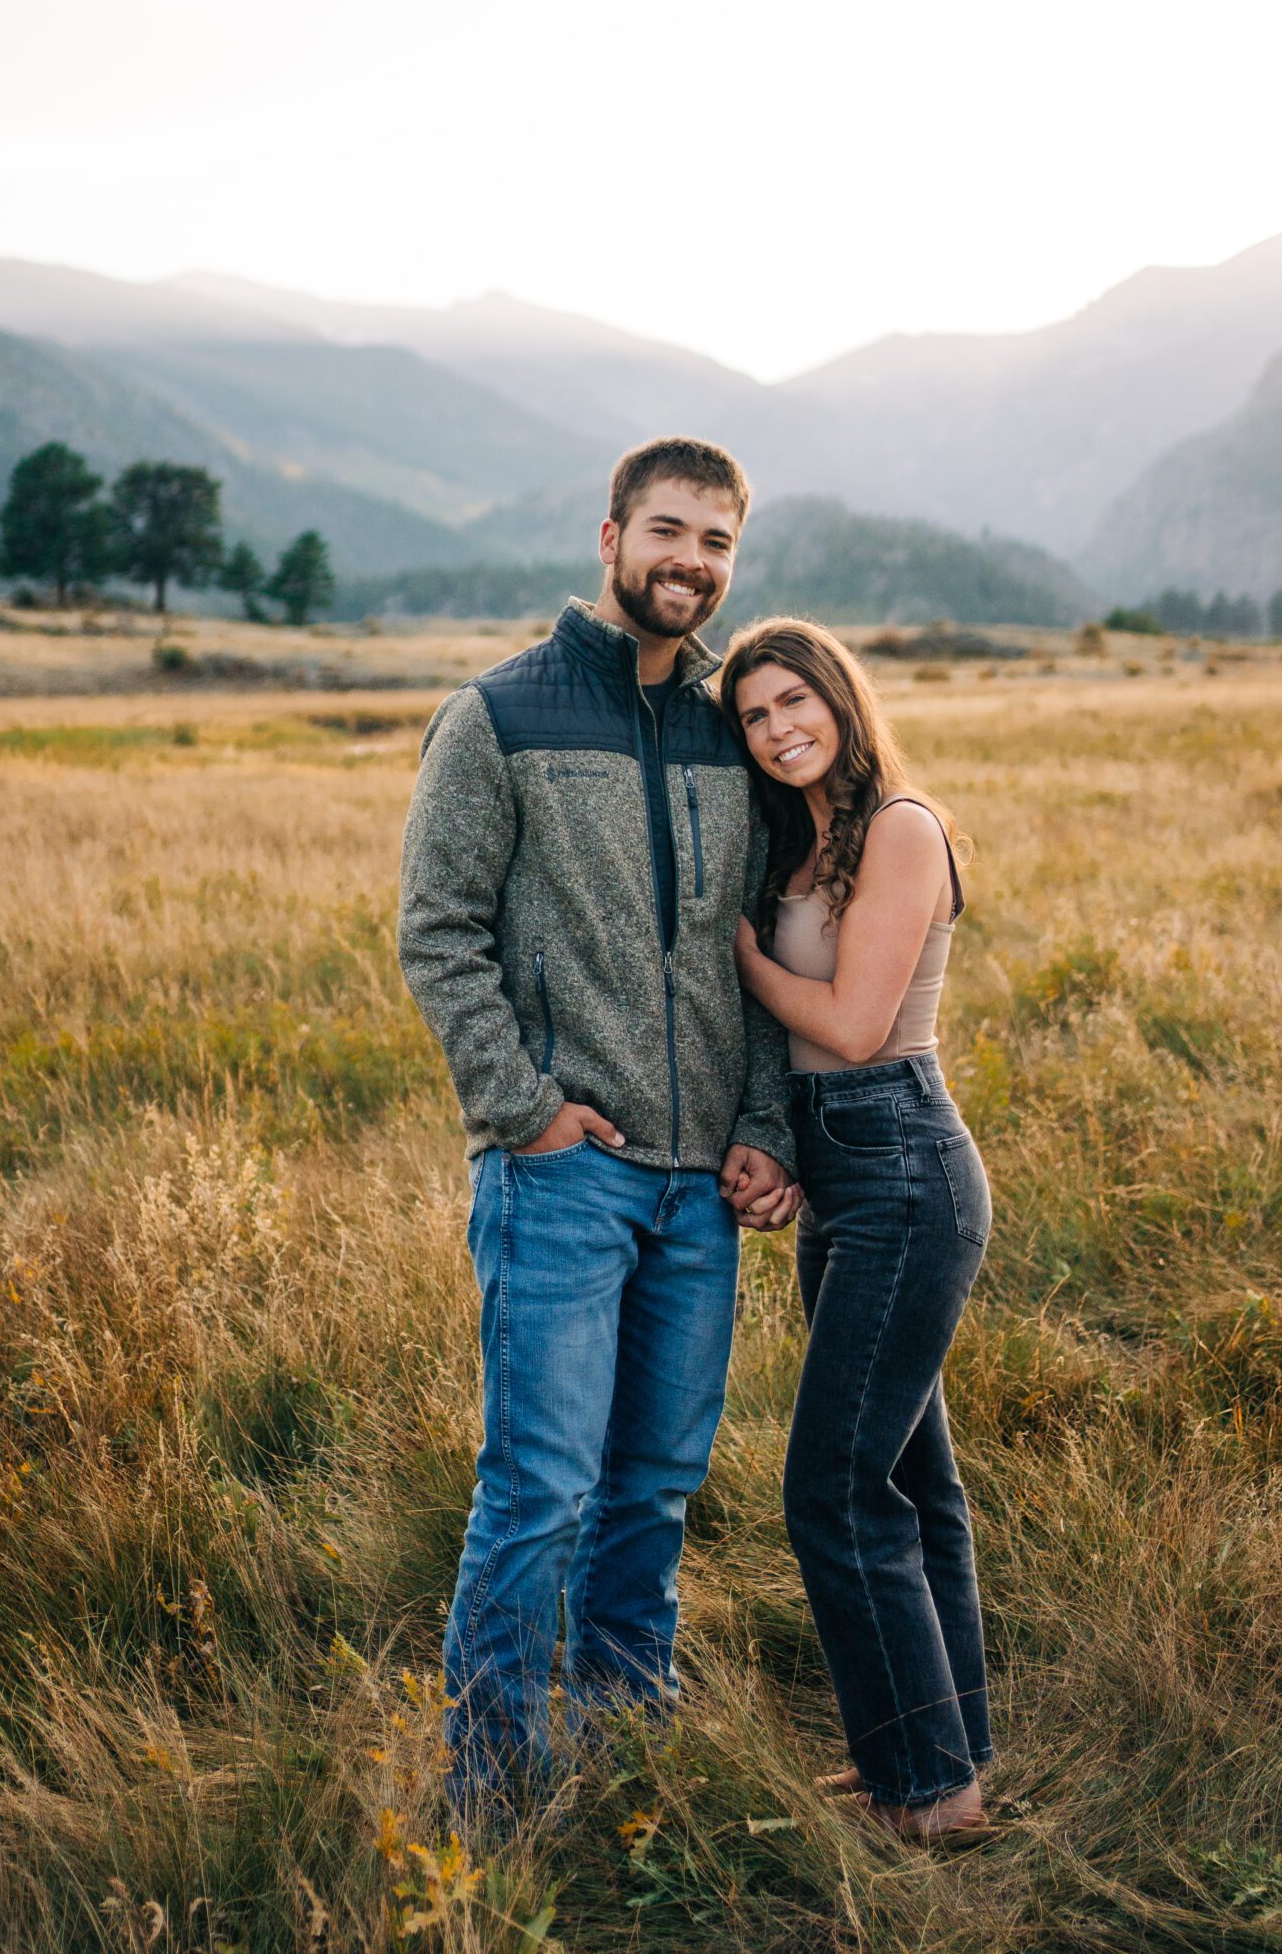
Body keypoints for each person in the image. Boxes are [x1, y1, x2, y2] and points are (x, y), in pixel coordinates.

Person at [398, 438, 800, 1801]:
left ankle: (629, 1759)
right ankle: (494, 1793)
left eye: (717, 543)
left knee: (651, 1493)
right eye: (669, 530)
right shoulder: (498, 716)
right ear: (611, 534)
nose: (691, 560)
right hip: (565, 1176)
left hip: (701, 1190)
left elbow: (747, 946)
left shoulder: (726, 728)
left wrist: (764, 1126)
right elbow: (437, 934)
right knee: (540, 1497)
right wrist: (523, 1112)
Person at [722, 617, 994, 1838]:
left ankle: (929, 1795)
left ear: (840, 696)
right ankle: (934, 1743)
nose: (779, 728)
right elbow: (801, 1053)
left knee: (831, 1491)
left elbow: (849, 1020)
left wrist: (734, 952)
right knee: (910, 1479)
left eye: (795, 702)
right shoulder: (802, 842)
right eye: (754, 715)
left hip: (902, 1163)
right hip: (843, 1170)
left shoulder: (899, 826)